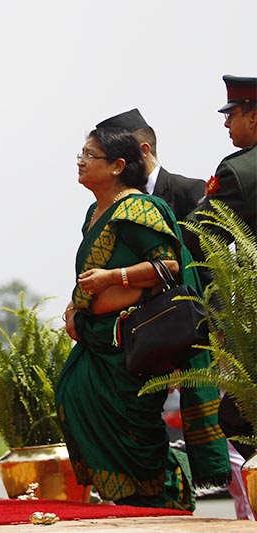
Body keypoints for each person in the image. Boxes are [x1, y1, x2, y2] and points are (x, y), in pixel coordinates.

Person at [56, 127, 230, 510]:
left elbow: (167, 265)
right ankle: (126, 499)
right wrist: (76, 307)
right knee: (73, 393)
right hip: (96, 339)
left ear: (118, 166)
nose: (80, 161)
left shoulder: (140, 208)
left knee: (134, 429)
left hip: (129, 344)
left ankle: (167, 497)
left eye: (90, 155)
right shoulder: (94, 212)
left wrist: (112, 279)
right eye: (80, 153)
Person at [185, 74, 256, 521]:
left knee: (240, 416)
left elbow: (197, 236)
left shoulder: (241, 171)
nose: (226, 124)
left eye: (232, 114)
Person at [96, 108, 206, 220]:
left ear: (144, 150)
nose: (112, 164)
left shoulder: (187, 190)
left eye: (114, 155)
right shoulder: (107, 204)